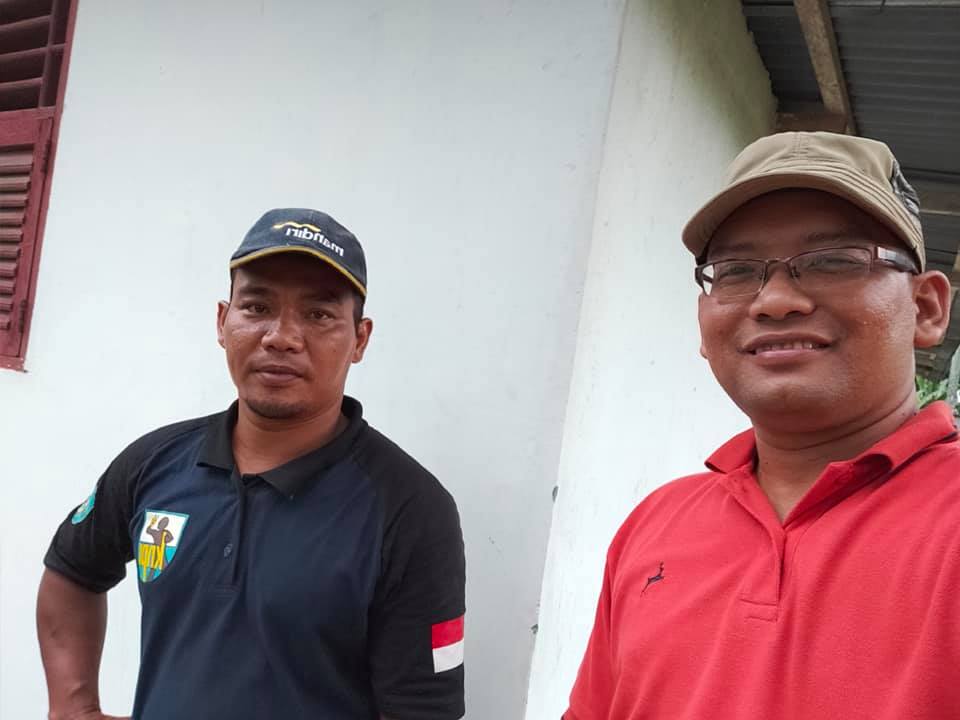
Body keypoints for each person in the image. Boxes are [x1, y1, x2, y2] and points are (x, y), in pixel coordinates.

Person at [565, 132, 958, 720]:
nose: (774, 301)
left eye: (833, 260)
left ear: (925, 308)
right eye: (736, 270)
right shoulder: (655, 524)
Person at [38, 208, 466, 720]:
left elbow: (424, 710)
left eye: (319, 315)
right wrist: (72, 707)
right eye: (257, 307)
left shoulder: (410, 510)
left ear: (360, 339)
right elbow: (73, 571)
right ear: (223, 322)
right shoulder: (155, 463)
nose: (281, 336)